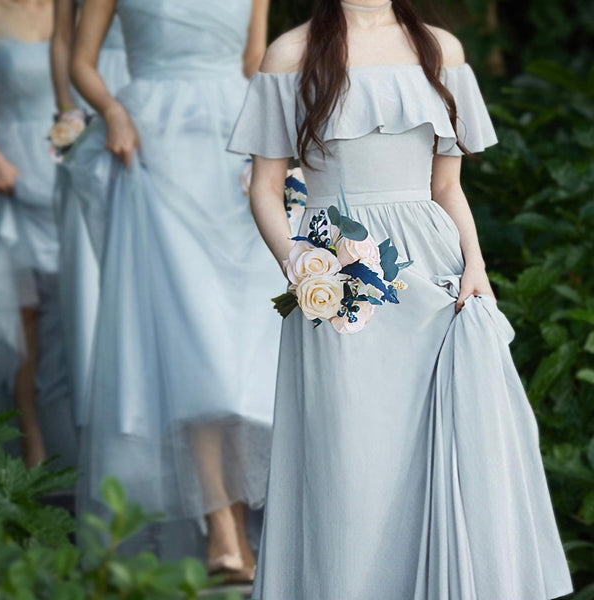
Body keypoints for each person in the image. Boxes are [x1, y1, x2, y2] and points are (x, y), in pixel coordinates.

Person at [228, 0, 574, 597]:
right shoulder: (291, 53)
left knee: (438, 450)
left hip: (434, 280)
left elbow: (447, 187)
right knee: (348, 459)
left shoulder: (441, 49)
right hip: (336, 287)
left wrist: (476, 268)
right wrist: (300, 265)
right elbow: (266, 187)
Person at [70, 0, 282, 580]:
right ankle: (220, 522)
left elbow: (256, 61)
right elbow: (81, 62)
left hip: (233, 154)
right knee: (193, 338)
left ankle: (235, 525)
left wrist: (271, 155)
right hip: (155, 150)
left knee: (240, 349)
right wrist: (111, 110)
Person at [0, 0, 69, 468]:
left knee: (66, 311)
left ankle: (69, 441)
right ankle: (32, 442)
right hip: (9, 174)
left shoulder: (74, 11)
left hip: (64, 176)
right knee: (23, 315)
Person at [50, 0, 129, 429]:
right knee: (90, 262)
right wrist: (69, 116)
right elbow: (62, 37)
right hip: (93, 96)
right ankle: (97, 417)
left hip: (148, 81)